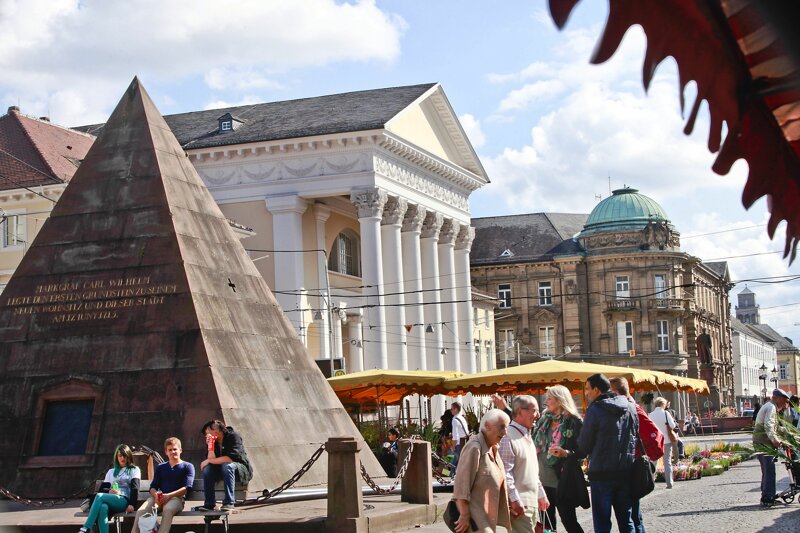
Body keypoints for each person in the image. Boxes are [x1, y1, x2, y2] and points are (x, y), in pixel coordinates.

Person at [577, 374, 637, 533]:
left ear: (597, 389)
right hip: (625, 471)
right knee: (627, 521)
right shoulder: (630, 407)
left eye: (588, 389)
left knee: (602, 524)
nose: (587, 393)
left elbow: (584, 445)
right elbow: (635, 436)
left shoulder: (595, 410)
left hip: (601, 474)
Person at [610, 378, 664, 533]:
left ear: (615, 392)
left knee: (632, 514)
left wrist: (644, 457)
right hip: (627, 466)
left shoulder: (632, 408)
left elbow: (655, 435)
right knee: (632, 513)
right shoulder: (626, 407)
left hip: (632, 467)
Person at [534, 385, 586, 533]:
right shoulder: (543, 420)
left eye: (549, 399)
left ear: (559, 400)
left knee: (569, 521)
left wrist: (567, 453)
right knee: (546, 525)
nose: (546, 402)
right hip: (542, 479)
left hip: (562, 480)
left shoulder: (574, 421)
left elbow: (583, 451)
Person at [452, 409, 512, 533]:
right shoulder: (474, 447)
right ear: (487, 426)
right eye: (502, 427)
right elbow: (461, 485)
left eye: (506, 428)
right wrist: (464, 514)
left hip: (487, 519)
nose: (505, 432)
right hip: (475, 521)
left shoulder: (493, 447)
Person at [499, 395, 550, 533]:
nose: (538, 415)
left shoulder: (526, 435)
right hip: (520, 505)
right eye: (534, 411)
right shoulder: (508, 436)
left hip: (530, 503)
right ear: (520, 411)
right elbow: (505, 472)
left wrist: (540, 493)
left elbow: (532, 471)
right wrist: (514, 500)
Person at [132, 437, 194, 533]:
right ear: (166, 452)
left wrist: (169, 496)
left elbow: (186, 488)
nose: (173, 452)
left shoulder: (187, 466)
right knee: (141, 511)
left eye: (175, 449)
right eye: (170, 450)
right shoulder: (161, 467)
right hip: (159, 498)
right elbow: (153, 486)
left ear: (180, 450)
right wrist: (156, 495)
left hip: (176, 499)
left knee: (168, 509)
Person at [78, 444, 140, 533]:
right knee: (103, 507)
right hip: (111, 499)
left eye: (125, 455)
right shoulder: (111, 472)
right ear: (116, 457)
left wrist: (132, 504)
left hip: (124, 500)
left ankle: (86, 527)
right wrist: (109, 491)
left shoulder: (134, 469)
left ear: (129, 456)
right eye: (120, 456)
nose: (123, 458)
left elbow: (135, 487)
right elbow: (103, 489)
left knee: (99, 496)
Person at [199, 420, 253, 511]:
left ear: (216, 431)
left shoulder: (233, 436)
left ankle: (229, 502)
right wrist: (210, 446)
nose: (206, 436)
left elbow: (230, 459)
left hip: (239, 469)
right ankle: (209, 504)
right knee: (207, 468)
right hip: (222, 470)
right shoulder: (213, 441)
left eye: (207, 432)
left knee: (227, 466)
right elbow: (211, 460)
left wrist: (209, 460)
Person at [753, 389, 790, 506]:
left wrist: (787, 433)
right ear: (778, 398)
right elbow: (769, 425)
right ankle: (768, 498)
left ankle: (766, 496)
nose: (785, 405)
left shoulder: (770, 406)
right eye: (784, 401)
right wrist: (775, 440)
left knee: (767, 470)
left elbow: (774, 427)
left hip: (760, 441)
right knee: (769, 470)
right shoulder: (771, 407)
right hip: (763, 442)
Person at [648, 397, 678, 489]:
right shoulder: (666, 413)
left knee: (653, 462)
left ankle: (651, 482)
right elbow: (672, 425)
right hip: (666, 441)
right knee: (667, 462)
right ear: (663, 404)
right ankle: (669, 483)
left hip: (655, 441)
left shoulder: (650, 414)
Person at [451, 402, 470, 468]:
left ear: (456, 409)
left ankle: (449, 475)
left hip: (458, 444)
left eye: (452, 409)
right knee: (460, 462)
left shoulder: (455, 420)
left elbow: (455, 436)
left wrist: (453, 447)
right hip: (464, 443)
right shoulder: (462, 418)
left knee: (452, 462)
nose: (451, 410)